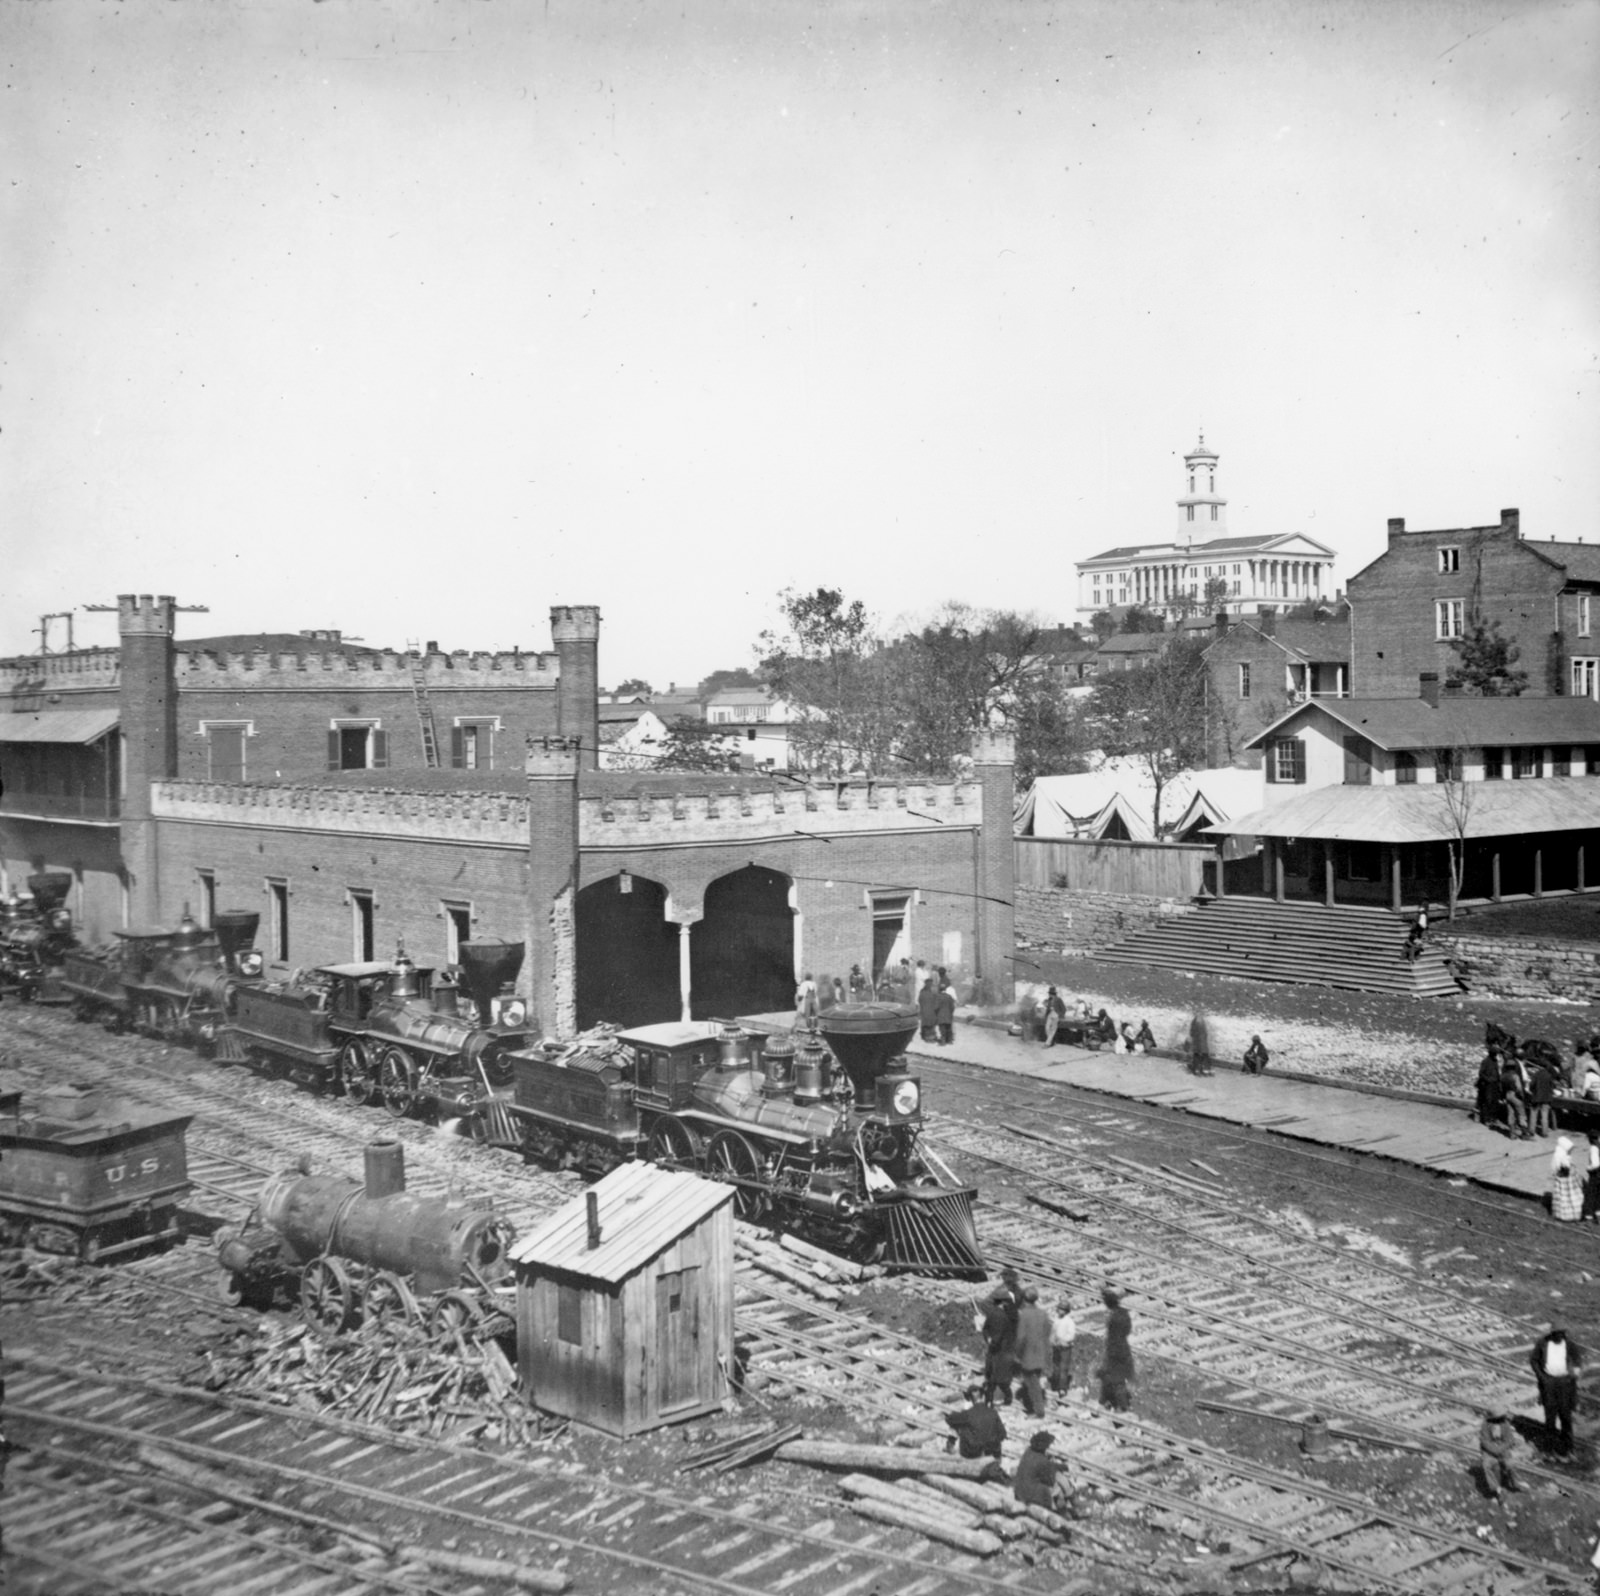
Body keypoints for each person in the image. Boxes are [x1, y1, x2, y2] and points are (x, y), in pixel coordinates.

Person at [1529, 1321, 1585, 1454]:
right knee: (1550, 1417)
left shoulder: (1570, 1345)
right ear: (1552, 1333)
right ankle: (1550, 1449)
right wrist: (1542, 1377)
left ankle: (1568, 1448)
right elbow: (1534, 1360)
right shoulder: (1543, 1343)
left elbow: (1577, 1361)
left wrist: (1574, 1374)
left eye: (1562, 1333)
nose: (1560, 1336)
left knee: (1566, 1416)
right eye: (1557, 1333)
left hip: (1565, 1384)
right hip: (1548, 1383)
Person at [1014, 1285, 1053, 1417]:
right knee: (1035, 1379)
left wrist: (1017, 1354)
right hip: (1041, 1352)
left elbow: (1021, 1338)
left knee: (1032, 1383)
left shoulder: (1024, 1315)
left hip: (1028, 1354)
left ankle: (1038, 1411)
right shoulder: (1043, 1313)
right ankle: (1041, 1404)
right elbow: (1047, 1332)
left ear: (1024, 1300)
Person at [944, 1384, 1006, 1460]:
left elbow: (949, 1419)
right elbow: (1003, 1434)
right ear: (983, 1397)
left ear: (970, 1399)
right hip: (993, 1453)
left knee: (957, 1423)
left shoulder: (968, 1414)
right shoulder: (993, 1413)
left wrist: (957, 1413)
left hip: (973, 1454)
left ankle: (949, 1447)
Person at [979, 1288, 1018, 1406]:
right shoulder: (1007, 1316)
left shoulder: (992, 1314)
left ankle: (989, 1401)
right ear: (1004, 1302)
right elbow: (1003, 1333)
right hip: (1003, 1351)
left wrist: (989, 1339)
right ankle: (1006, 1399)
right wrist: (994, 1341)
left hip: (994, 1350)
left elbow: (985, 1329)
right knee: (1000, 1379)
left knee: (991, 1378)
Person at [1098, 1286, 1135, 1411]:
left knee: (1116, 1379)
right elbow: (1128, 1330)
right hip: (1125, 1348)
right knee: (1113, 1378)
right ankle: (1106, 1401)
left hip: (1114, 1351)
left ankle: (1122, 1406)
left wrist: (1108, 1353)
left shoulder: (1113, 1318)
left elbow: (1112, 1337)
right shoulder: (1124, 1313)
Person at [1013, 1431, 1067, 1513]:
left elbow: (1039, 1465)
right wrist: (1058, 1468)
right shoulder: (1042, 1461)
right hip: (1031, 1495)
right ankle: (1061, 1510)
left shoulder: (1028, 1452)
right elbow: (1050, 1481)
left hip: (1019, 1491)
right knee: (1059, 1486)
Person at [1479, 1408, 1523, 1499]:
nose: (1500, 1419)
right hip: (1489, 1452)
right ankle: (1497, 1489)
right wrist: (1495, 1450)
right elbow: (1485, 1442)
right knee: (1486, 1465)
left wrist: (1500, 1449)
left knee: (1510, 1463)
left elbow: (1510, 1440)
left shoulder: (1505, 1424)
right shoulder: (1485, 1425)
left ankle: (1515, 1483)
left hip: (1502, 1450)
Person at [1552, 1136, 1585, 1222]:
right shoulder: (1560, 1156)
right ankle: (1567, 1216)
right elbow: (1564, 1168)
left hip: (1567, 1178)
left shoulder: (1563, 1154)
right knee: (1566, 1197)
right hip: (1565, 1180)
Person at [1050, 1297, 1077, 1396]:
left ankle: (1062, 1388)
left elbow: (1071, 1335)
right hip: (1057, 1347)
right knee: (1056, 1366)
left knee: (1063, 1368)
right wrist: (1052, 1339)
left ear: (1066, 1311)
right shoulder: (1057, 1320)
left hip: (1066, 1348)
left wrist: (1063, 1340)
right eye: (1059, 1309)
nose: (1060, 1311)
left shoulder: (1069, 1322)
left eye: (1063, 1310)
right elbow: (1053, 1330)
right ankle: (1055, 1384)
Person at [1500, 1052, 1531, 1139]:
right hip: (1515, 1096)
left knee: (1511, 1114)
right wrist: (1522, 1096)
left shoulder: (1503, 1076)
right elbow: (1519, 1088)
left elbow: (1500, 1088)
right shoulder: (1515, 1076)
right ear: (1513, 1067)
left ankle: (1512, 1134)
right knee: (1521, 1114)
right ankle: (1524, 1134)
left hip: (1507, 1095)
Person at [1475, 1047, 1504, 1127]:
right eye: (1495, 1053)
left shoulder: (1495, 1061)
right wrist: (1488, 1080)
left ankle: (1493, 1118)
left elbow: (1497, 1072)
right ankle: (1486, 1119)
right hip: (1488, 1085)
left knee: (1495, 1102)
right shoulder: (1485, 1061)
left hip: (1495, 1084)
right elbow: (1481, 1073)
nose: (1496, 1055)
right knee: (1488, 1101)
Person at [1527, 1059, 1556, 1138]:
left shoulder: (1536, 1075)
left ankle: (1531, 1131)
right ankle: (1544, 1133)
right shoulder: (1549, 1075)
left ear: (1539, 1066)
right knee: (1544, 1116)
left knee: (1533, 1114)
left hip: (1536, 1097)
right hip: (1546, 1098)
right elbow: (1553, 1086)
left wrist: (1532, 1091)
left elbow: (1531, 1085)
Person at [1188, 1009, 1213, 1076]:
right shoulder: (1202, 1021)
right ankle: (1206, 1069)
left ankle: (1196, 1069)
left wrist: (1191, 1036)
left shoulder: (1195, 1021)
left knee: (1196, 1054)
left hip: (1197, 1042)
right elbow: (1205, 1033)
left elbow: (1192, 1032)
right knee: (1204, 1054)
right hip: (1203, 1042)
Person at [1583, 1136, 1600, 1226]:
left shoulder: (1594, 1148)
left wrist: (1588, 1168)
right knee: (1599, 1196)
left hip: (1595, 1175)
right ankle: (1598, 1216)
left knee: (1590, 1195)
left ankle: (1588, 1218)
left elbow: (1596, 1164)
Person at [917, 977, 939, 1043]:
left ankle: (927, 1036)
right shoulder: (930, 992)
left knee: (928, 1023)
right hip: (928, 1010)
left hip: (927, 1010)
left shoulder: (924, 991)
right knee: (929, 1024)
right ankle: (928, 1037)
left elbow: (919, 1000)